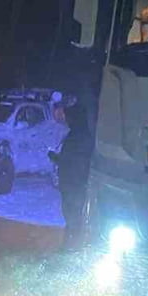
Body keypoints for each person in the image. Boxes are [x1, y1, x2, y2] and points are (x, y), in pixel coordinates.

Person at [49, 102, 93, 250]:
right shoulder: (79, 135)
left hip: (74, 183)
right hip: (73, 183)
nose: (65, 120)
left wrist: (56, 158)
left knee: (73, 214)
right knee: (71, 215)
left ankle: (73, 245)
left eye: (67, 117)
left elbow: (73, 161)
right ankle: (71, 244)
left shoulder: (78, 137)